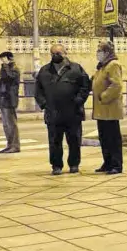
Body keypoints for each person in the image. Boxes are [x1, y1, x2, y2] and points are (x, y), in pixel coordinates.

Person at [35, 44, 90, 175]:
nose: (56, 56)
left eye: (59, 53)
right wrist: (44, 104)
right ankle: (56, 165)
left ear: (65, 53)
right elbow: (38, 91)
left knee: (74, 140)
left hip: (73, 112)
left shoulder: (76, 69)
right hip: (53, 113)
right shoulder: (44, 71)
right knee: (54, 141)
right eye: (53, 53)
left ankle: (74, 164)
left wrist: (79, 100)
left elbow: (85, 86)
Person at [92, 41, 124, 175]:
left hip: (110, 108)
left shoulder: (113, 65)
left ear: (107, 52)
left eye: (100, 50)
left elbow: (116, 85)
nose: (98, 53)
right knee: (104, 137)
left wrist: (103, 96)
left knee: (113, 137)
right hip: (101, 109)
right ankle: (108, 162)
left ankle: (116, 164)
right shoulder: (102, 67)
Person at [0, 51, 21, 154]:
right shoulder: (5, 68)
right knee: (6, 125)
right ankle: (9, 145)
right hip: (3, 99)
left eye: (3, 59)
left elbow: (9, 78)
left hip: (9, 100)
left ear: (8, 58)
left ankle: (15, 145)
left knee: (11, 124)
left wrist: (5, 65)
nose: (1, 61)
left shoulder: (14, 69)